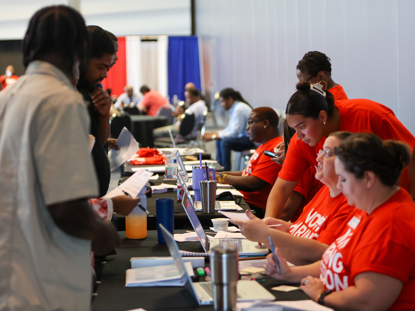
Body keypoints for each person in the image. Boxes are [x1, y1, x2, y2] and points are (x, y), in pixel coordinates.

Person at [0, 6, 120, 310]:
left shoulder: (8, 96)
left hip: (13, 263)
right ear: (79, 50)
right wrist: (103, 232)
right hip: (49, 273)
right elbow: (64, 206)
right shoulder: (62, 100)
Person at [266, 133, 415, 310]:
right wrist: (289, 274)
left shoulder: (392, 225)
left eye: (343, 179)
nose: (340, 185)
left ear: (368, 179)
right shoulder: (369, 208)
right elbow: (337, 258)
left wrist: (322, 295)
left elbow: (367, 301)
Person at [265, 81, 415, 218]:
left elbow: (410, 153)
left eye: (302, 127)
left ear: (322, 116)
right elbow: (282, 188)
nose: (298, 136)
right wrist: (266, 228)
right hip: (347, 211)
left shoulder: (370, 115)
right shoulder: (300, 142)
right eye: (294, 129)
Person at [231, 132, 355, 265]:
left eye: (327, 153)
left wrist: (267, 234)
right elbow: (303, 229)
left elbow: (321, 254)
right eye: (321, 152)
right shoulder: (325, 189)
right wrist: (285, 226)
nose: (318, 158)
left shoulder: (349, 203)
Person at [272, 51, 348, 164]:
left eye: (305, 81)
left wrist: (292, 154)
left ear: (321, 76)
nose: (302, 86)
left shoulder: (334, 101)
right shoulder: (323, 96)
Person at [216, 107, 282, 218]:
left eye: (250, 122)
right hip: (245, 203)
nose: (247, 127)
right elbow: (247, 172)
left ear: (265, 123)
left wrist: (220, 178)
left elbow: (253, 183)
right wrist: (215, 174)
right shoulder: (264, 145)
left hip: (254, 210)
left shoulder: (275, 148)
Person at [77, 25, 114, 197]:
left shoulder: (92, 88)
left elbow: (99, 141)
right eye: (101, 67)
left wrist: (104, 115)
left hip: (93, 197)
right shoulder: (70, 94)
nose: (105, 74)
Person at [202, 88, 255, 171]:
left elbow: (234, 133)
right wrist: (215, 134)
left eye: (222, 102)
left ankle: (225, 170)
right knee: (220, 139)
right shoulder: (235, 107)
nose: (221, 105)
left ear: (229, 99)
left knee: (225, 142)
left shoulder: (239, 109)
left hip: (251, 140)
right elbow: (230, 129)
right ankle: (219, 166)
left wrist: (213, 136)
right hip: (243, 137)